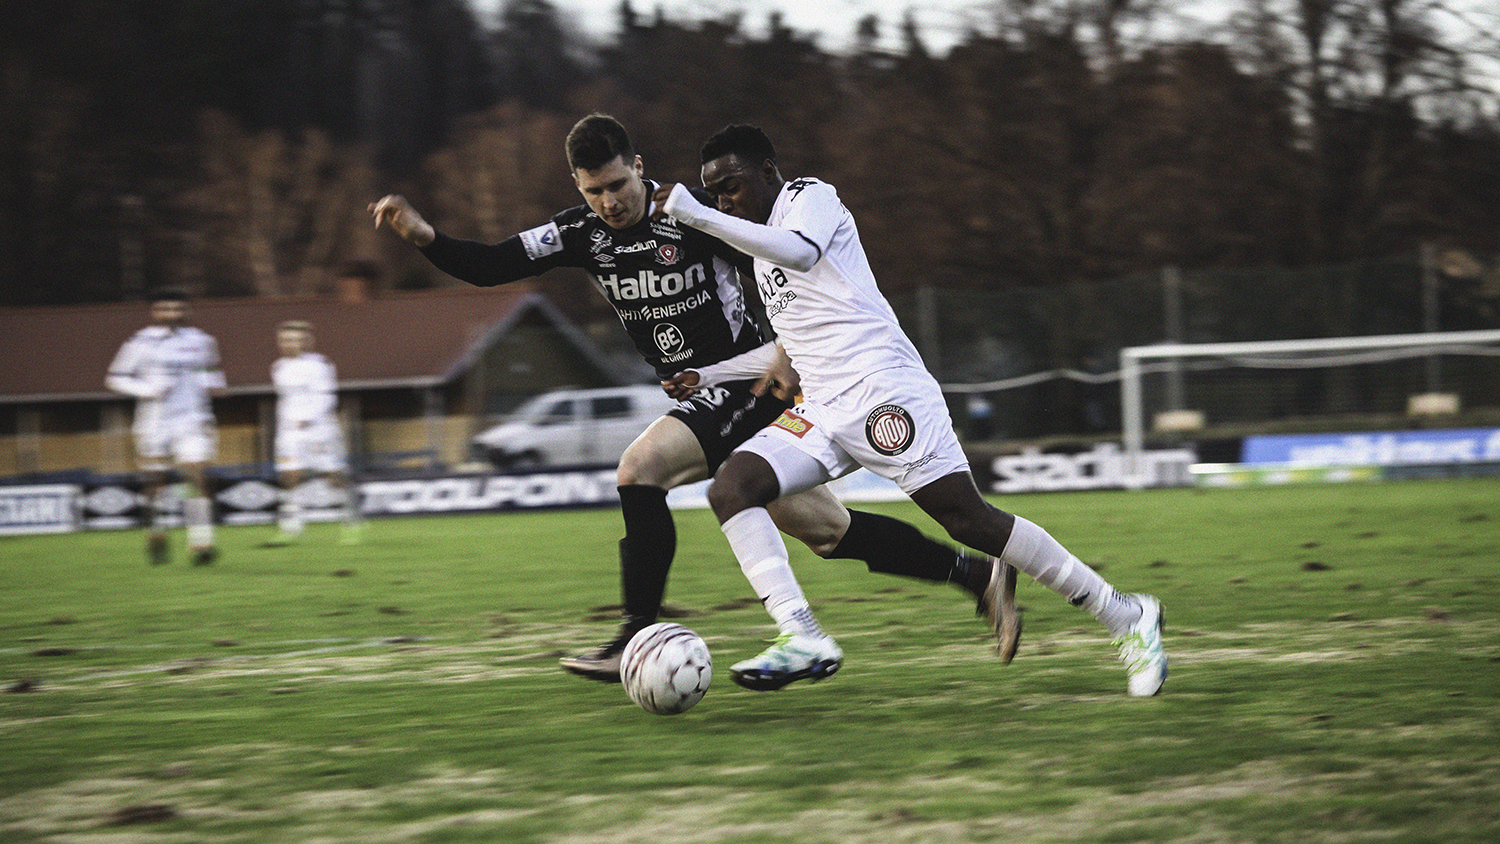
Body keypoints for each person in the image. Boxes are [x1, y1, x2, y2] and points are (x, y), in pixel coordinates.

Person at [371, 113, 1018, 683]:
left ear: (640, 169)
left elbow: (782, 272)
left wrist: (787, 352)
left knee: (639, 470)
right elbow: (491, 264)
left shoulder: (687, 218)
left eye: (619, 185)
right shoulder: (581, 234)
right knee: (827, 531)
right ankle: (978, 577)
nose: (610, 202)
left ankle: (635, 633)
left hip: (749, 384)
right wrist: (425, 236)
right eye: (594, 191)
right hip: (704, 399)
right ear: (579, 187)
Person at [653, 124, 1167, 696]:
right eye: (713, 192)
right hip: (823, 408)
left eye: (732, 184)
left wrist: (696, 215)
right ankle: (801, 634)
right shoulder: (757, 251)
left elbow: (800, 251)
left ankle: (1126, 614)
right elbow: (793, 348)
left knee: (968, 520)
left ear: (768, 171)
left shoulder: (809, 198)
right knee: (732, 486)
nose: (724, 199)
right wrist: (713, 374)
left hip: (884, 391)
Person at [106, 288, 225, 566]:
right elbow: (115, 377)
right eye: (166, 309)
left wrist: (213, 387)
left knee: (198, 476)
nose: (173, 314)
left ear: (187, 311)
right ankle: (156, 533)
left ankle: (201, 543)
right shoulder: (140, 342)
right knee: (155, 484)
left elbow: (210, 372)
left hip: (192, 420)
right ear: (155, 312)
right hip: (154, 422)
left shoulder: (202, 341)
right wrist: (147, 389)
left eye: (178, 309)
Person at [268, 320, 361, 545]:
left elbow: (328, 397)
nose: (291, 344)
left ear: (308, 342)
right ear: (280, 342)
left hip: (320, 430)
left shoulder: (320, 365)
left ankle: (351, 518)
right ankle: (291, 527)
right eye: (287, 340)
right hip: (289, 433)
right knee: (288, 475)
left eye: (297, 340)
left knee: (332, 475)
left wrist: (308, 418)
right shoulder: (278, 367)